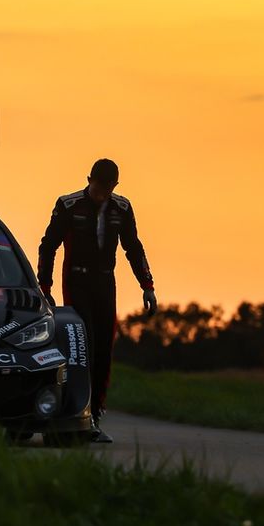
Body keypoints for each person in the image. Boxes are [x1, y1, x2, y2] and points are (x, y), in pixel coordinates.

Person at [37, 159, 157, 443]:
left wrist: (147, 286)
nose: (101, 194)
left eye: (107, 189)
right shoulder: (68, 205)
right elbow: (48, 245)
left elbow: (133, 247)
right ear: (89, 180)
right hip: (76, 282)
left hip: (105, 283)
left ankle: (96, 415)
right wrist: (45, 286)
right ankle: (79, 412)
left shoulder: (122, 208)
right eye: (97, 188)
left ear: (115, 185)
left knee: (104, 348)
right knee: (84, 346)